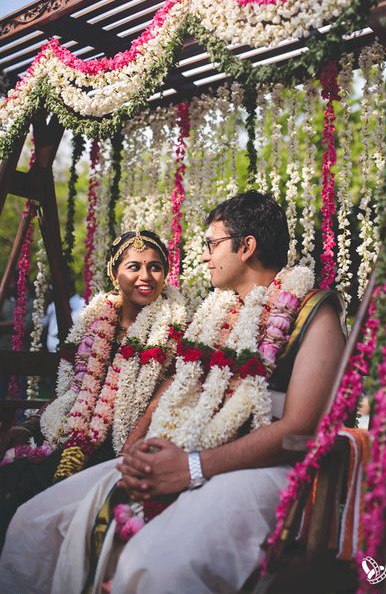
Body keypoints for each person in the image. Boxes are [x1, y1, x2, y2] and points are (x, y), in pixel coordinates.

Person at [0, 192, 345, 593]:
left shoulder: (311, 312)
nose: (203, 257)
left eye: (212, 244)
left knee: (151, 568)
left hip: (257, 468)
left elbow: (301, 427)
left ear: (246, 246)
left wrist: (193, 467)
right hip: (180, 451)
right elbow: (179, 379)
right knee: (34, 521)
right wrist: (136, 439)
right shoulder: (218, 310)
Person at [0, 229, 186, 549]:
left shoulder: (173, 329)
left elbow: (167, 394)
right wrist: (27, 424)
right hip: (69, 429)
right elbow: (70, 390)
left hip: (122, 444)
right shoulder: (93, 321)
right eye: (134, 267)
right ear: (115, 274)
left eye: (155, 267)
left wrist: (131, 443)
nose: (146, 276)